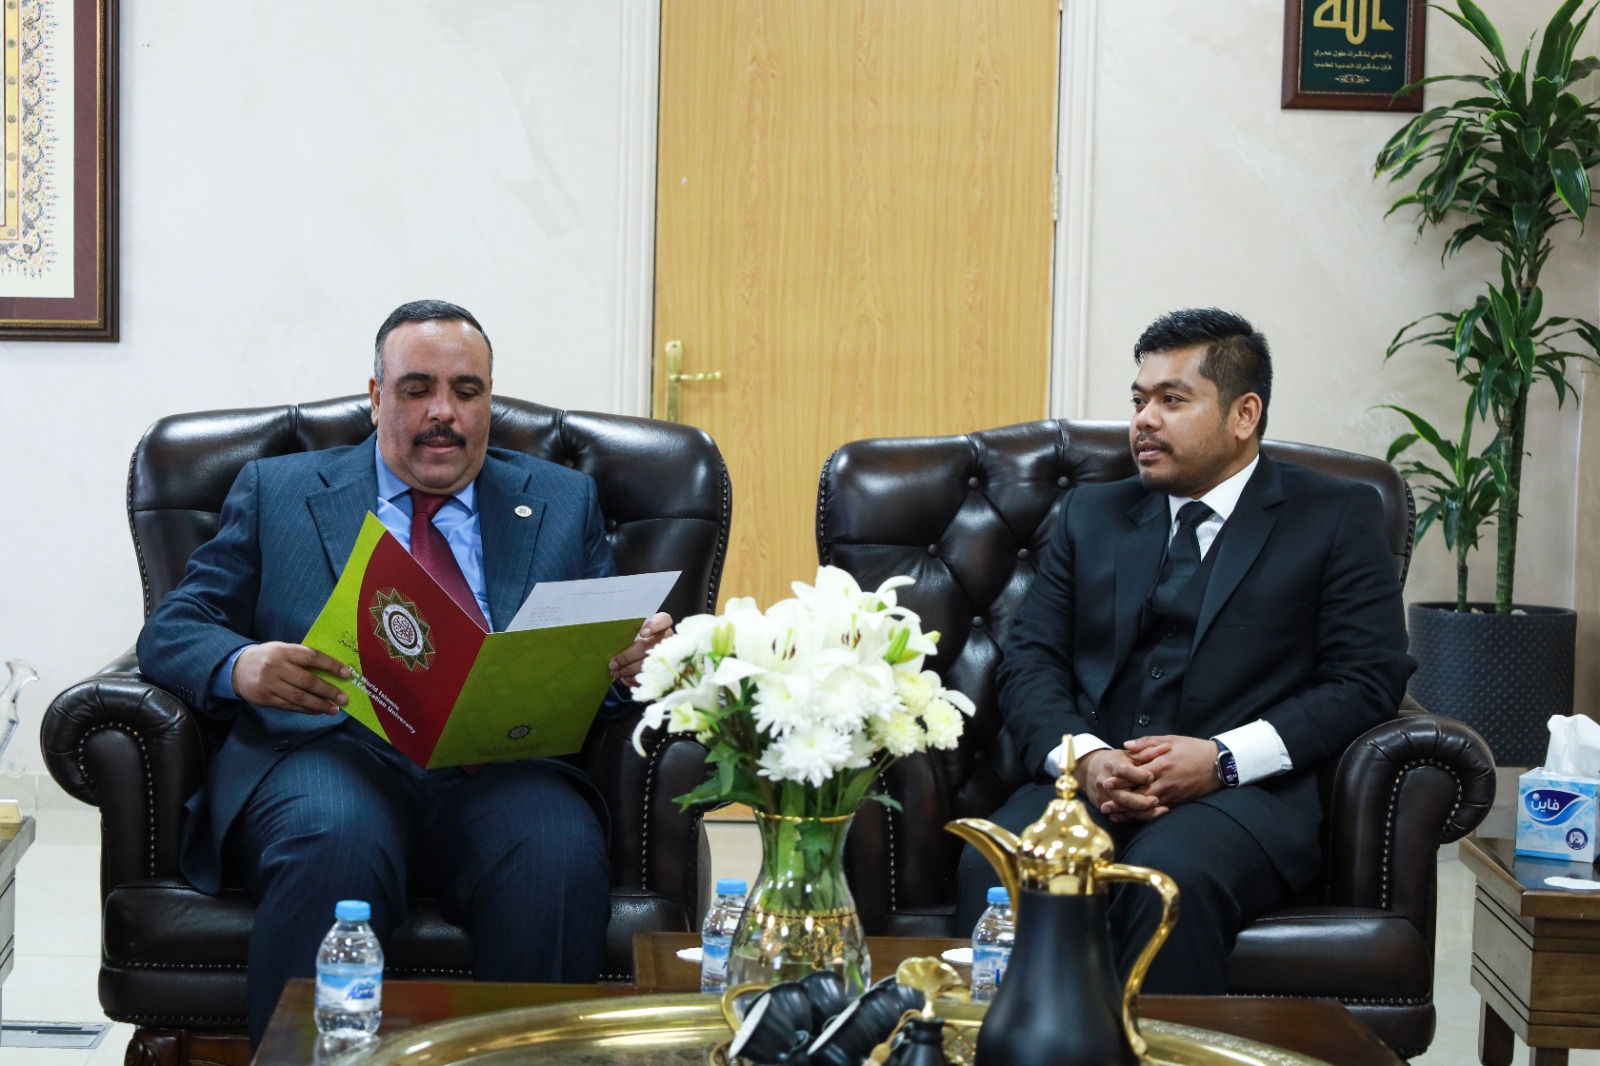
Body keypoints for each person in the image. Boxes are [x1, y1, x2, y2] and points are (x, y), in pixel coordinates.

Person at [137, 299, 673, 1044]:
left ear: (489, 401)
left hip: (501, 764)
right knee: (333, 839)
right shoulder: (278, 492)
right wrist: (241, 664)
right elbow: (173, 628)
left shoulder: (559, 499)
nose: (442, 413)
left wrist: (629, 664)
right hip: (329, 751)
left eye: (466, 391)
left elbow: (601, 657)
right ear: (375, 396)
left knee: (555, 849)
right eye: (417, 389)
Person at [954, 308, 1414, 992]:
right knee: (1000, 860)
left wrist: (1223, 759)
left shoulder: (1335, 515)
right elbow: (1031, 661)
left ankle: (1160, 1043)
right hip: (1091, 784)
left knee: (1167, 881)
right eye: (1139, 401)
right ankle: (1004, 1041)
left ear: (1244, 414)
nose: (1144, 420)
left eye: (1172, 400)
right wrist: (1087, 759)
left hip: (1245, 800)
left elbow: (1366, 680)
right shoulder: (1092, 515)